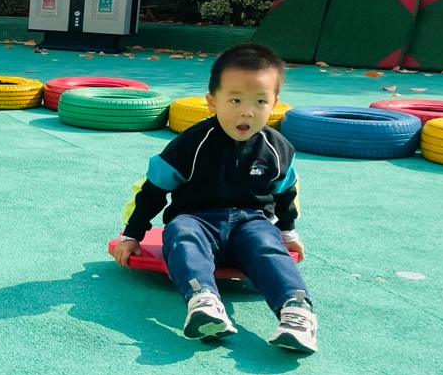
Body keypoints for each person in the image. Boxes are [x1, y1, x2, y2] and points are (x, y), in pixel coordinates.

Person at [111, 42, 317, 353]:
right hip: (197, 219)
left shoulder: (278, 148)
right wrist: (132, 234)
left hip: (252, 222)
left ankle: (296, 312)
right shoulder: (192, 143)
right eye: (235, 100)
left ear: (274, 103)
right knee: (180, 232)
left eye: (260, 101)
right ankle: (204, 302)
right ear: (212, 102)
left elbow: (286, 193)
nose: (247, 111)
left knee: (267, 245)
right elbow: (153, 189)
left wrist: (287, 233)